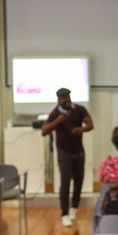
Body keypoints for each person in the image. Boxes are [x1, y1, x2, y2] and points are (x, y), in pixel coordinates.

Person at [41, 88, 93, 227]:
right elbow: (44, 131)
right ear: (58, 99)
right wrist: (58, 120)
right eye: (63, 98)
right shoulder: (56, 112)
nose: (66, 100)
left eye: (67, 97)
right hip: (64, 152)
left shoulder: (79, 109)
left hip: (78, 151)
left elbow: (90, 124)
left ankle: (74, 209)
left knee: (79, 181)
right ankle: (64, 213)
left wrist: (81, 129)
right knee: (65, 183)